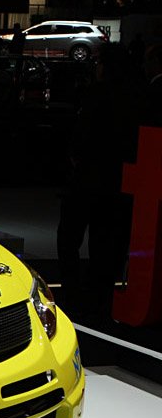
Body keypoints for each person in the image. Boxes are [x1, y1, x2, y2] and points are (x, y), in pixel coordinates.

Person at [57, 43, 144, 318]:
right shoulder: (136, 96)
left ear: (104, 67)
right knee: (106, 240)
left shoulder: (96, 93)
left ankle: (72, 292)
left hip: (88, 178)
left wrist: (76, 159)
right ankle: (101, 295)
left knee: (69, 236)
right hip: (118, 182)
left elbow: (81, 136)